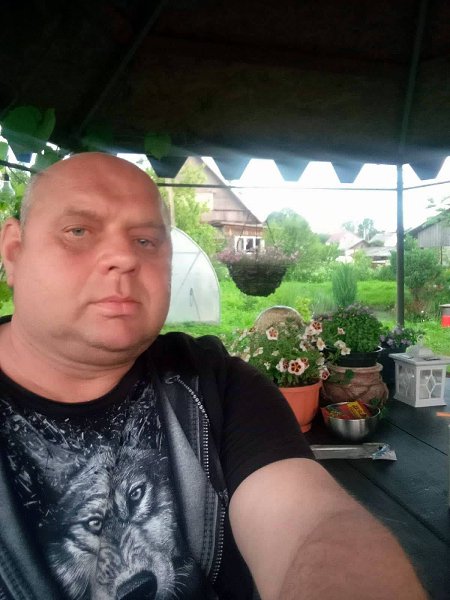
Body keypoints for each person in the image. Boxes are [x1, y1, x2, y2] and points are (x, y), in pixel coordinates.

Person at [0, 152, 427, 600]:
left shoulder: (214, 387)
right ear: (14, 250)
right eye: (78, 231)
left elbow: (311, 525)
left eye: (145, 240)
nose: (123, 257)